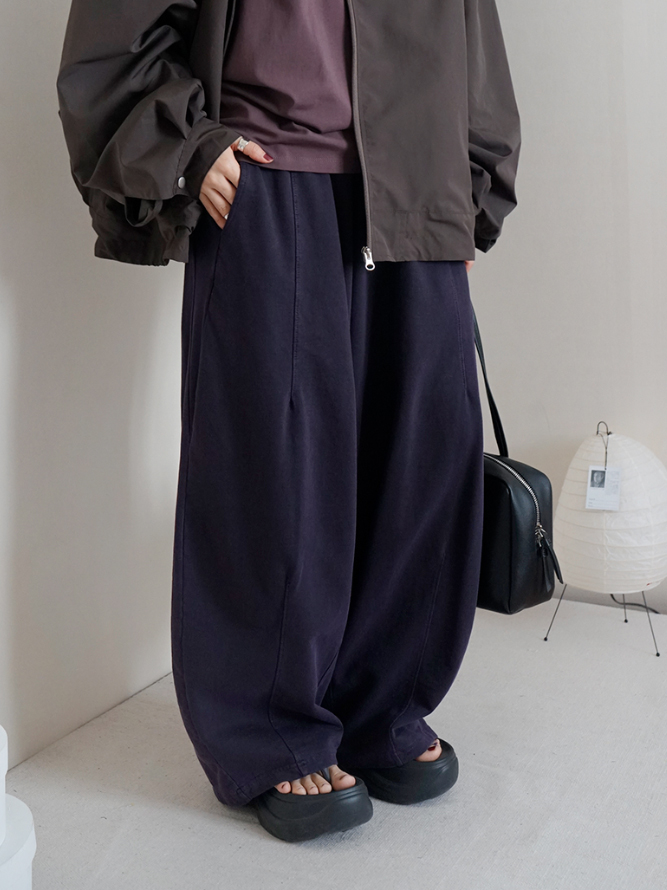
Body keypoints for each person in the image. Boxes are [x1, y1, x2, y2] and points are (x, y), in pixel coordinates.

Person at [57, 0, 521, 842]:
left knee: (420, 460)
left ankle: (381, 708)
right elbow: (115, 31)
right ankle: (269, 733)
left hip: (417, 183)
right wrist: (188, 146)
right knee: (272, 473)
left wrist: (469, 184)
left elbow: (471, 34)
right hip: (266, 178)